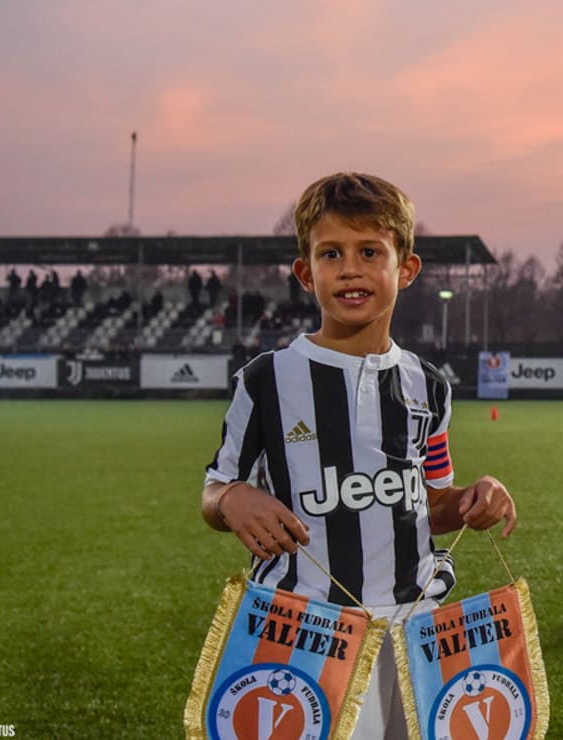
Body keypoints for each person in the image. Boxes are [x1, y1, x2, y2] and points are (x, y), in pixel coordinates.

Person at [200, 171, 518, 738]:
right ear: (306, 273)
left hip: (415, 627)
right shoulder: (266, 381)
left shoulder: (428, 385)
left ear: (406, 268)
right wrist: (231, 499)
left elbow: (432, 503)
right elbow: (215, 489)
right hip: (304, 627)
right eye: (331, 254)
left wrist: (474, 498)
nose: (350, 269)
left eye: (370, 251)